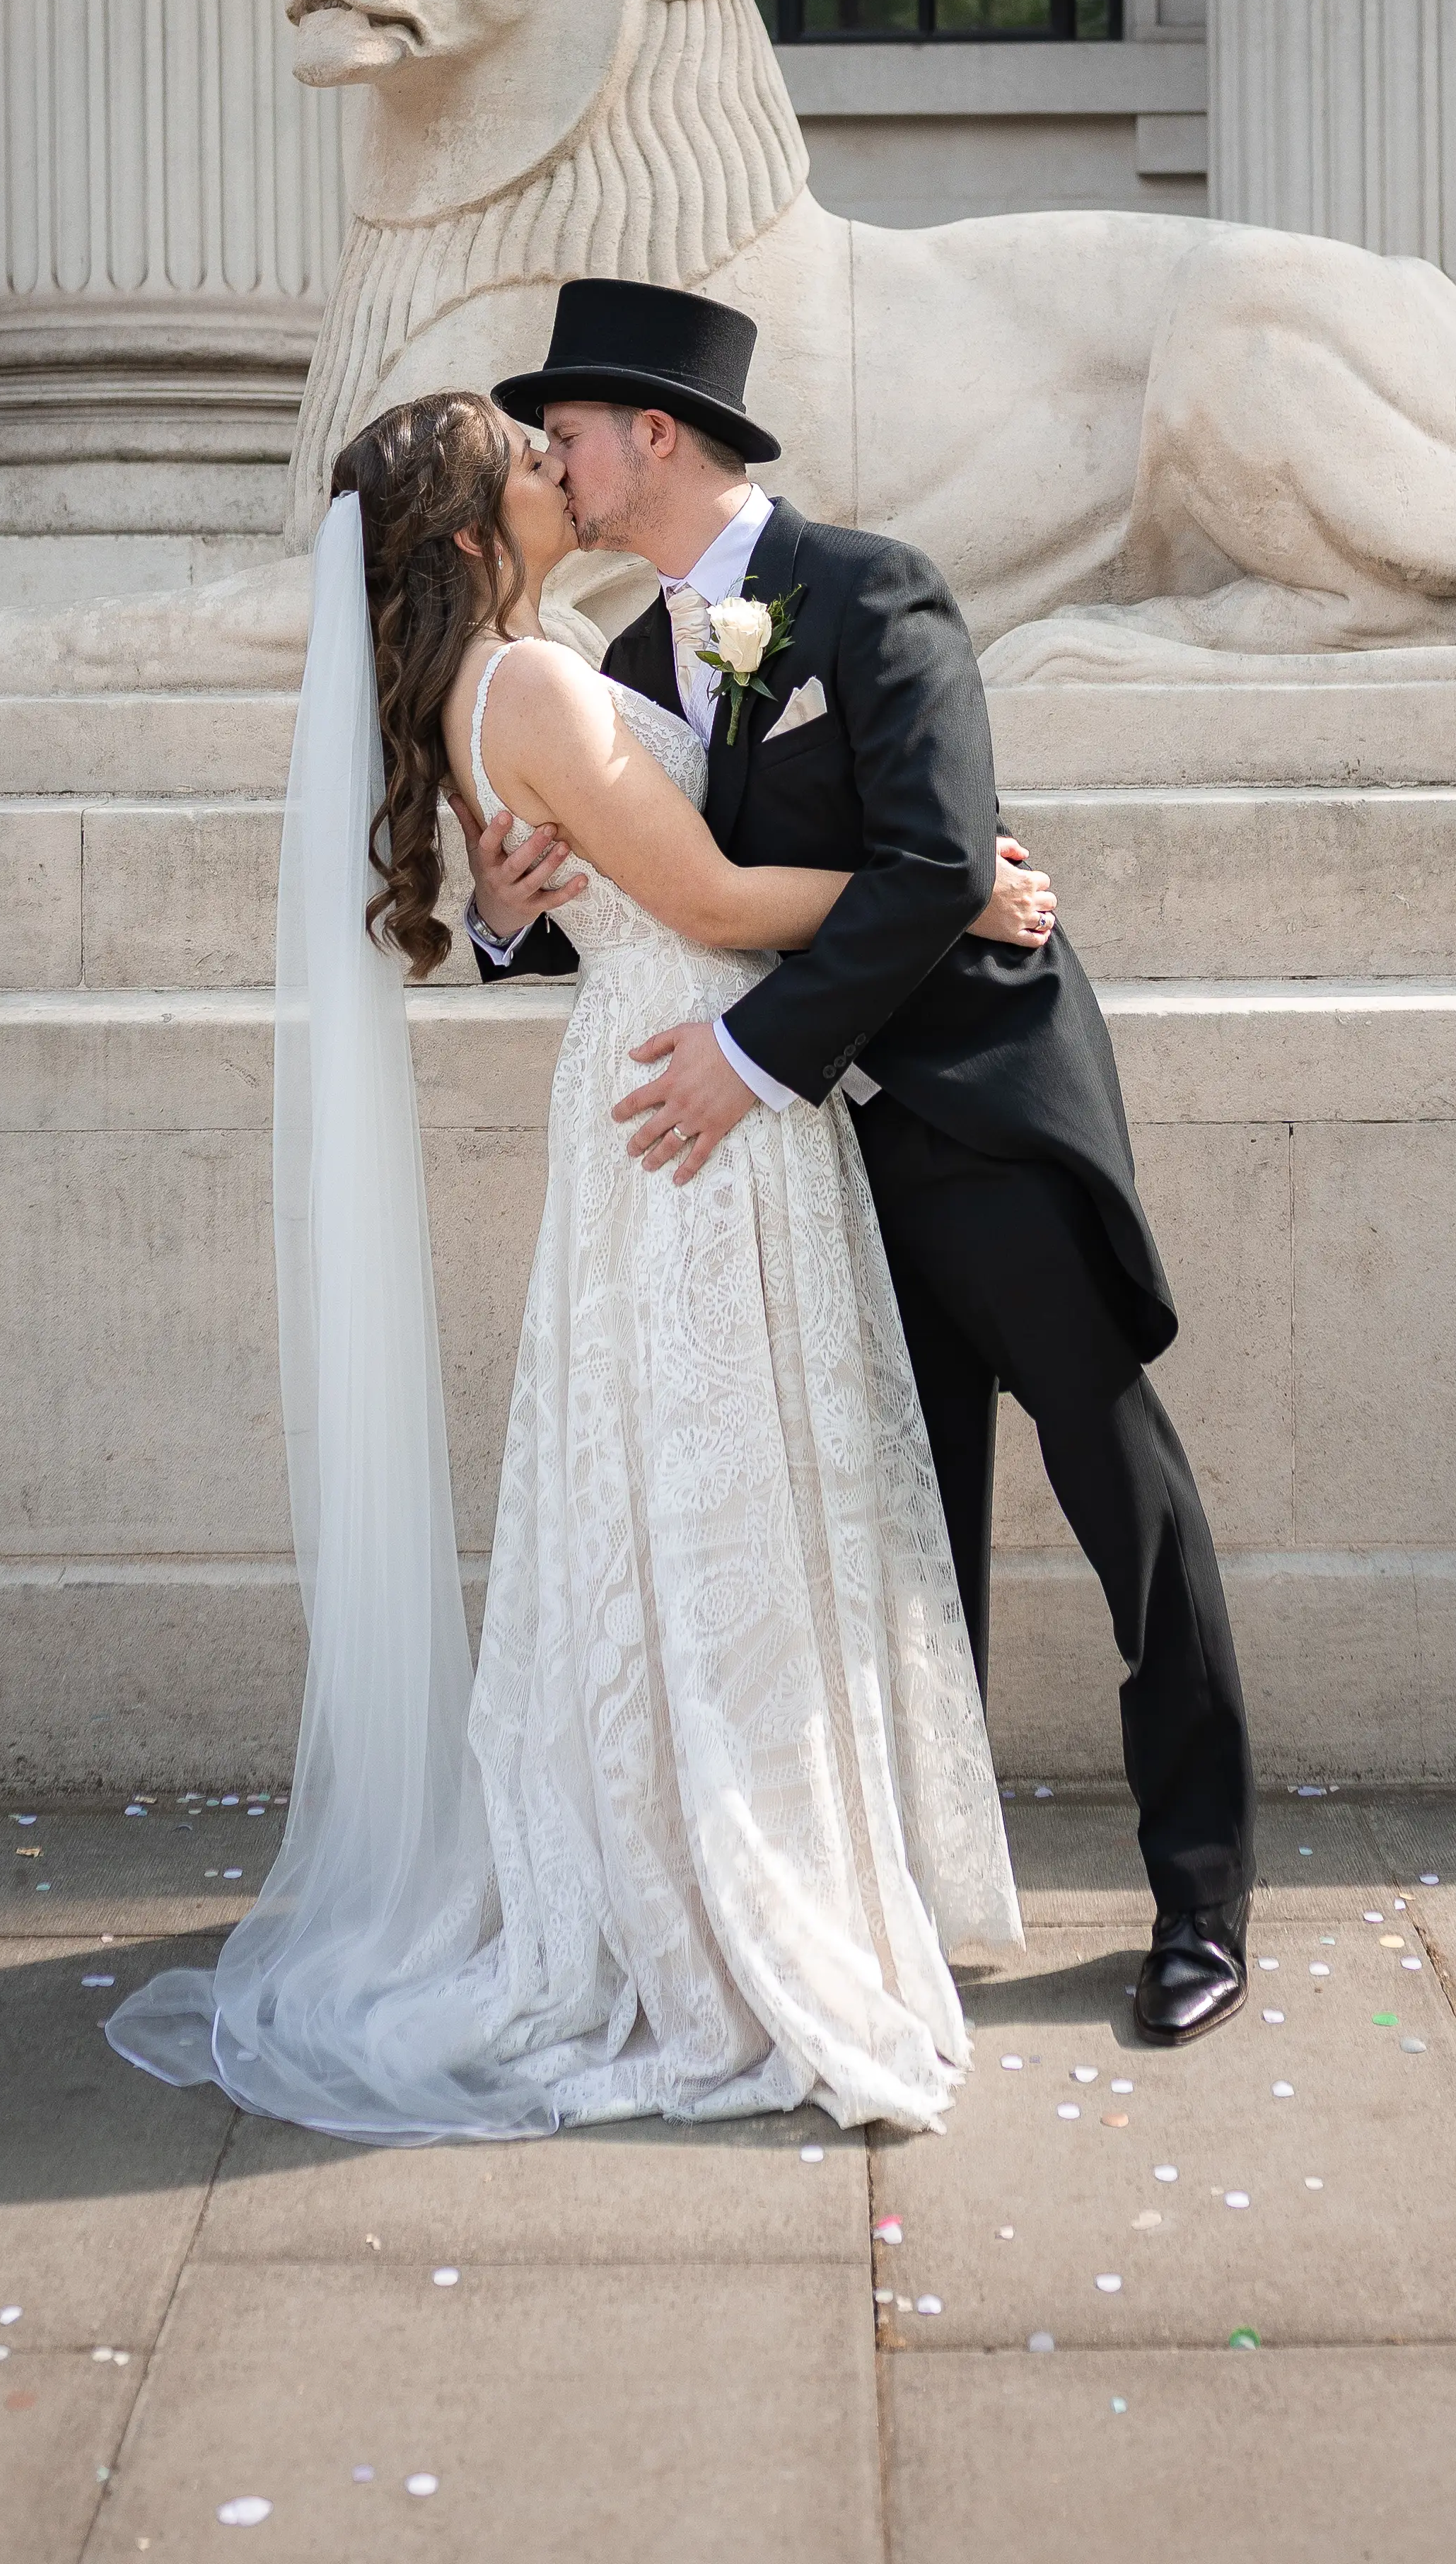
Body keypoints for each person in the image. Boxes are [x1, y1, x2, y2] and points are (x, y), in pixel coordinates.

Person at [107, 382, 1042, 2141]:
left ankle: (681, 1852)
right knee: (718, 1502)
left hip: (656, 1088)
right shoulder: (534, 682)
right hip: (689, 1095)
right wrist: (940, 885)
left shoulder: (537, 671)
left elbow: (565, 885)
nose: (565, 466)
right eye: (531, 463)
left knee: (689, 1503)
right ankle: (717, 1902)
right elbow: (699, 897)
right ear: (473, 537)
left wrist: (513, 910)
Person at [469, 278, 1258, 2045]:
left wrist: (750, 1059)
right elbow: (644, 900)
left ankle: (1199, 1899)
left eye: (572, 436)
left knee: (1125, 1497)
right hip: (811, 1182)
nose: (559, 466)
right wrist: (510, 921)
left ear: (653, 435)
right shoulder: (620, 666)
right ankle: (891, 1890)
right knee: (897, 1544)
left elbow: (935, 860)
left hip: (977, 1120)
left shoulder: (873, 588)